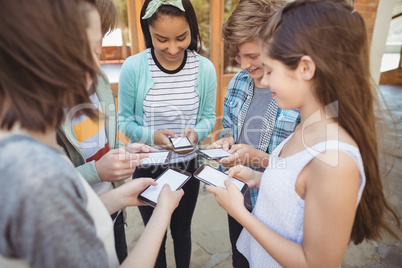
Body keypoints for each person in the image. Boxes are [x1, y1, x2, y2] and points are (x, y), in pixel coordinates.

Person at [206, 0, 401, 267]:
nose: (264, 80)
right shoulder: (305, 129)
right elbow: (293, 185)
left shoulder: (335, 160)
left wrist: (240, 213)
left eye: (270, 70)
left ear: (306, 68)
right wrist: (255, 177)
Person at [0, 0, 183, 267]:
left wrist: (119, 196)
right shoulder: (32, 174)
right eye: (94, 51)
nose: (98, 66)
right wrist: (163, 212)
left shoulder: (28, 146)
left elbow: (68, 218)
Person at [56, 0, 158, 263]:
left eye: (98, 46)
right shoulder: (33, 119)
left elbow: (95, 143)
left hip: (112, 211)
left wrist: (122, 153)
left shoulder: (98, 84)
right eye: (83, 50)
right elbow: (52, 189)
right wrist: (98, 172)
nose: (95, 62)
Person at [117, 0, 217, 267]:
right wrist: (152, 136)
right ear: (147, 31)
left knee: (182, 232)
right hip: (147, 169)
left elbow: (208, 118)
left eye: (182, 38)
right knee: (155, 236)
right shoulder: (134, 67)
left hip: (187, 167)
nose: (172, 48)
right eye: (161, 39)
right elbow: (123, 121)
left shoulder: (204, 68)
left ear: (192, 29)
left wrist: (196, 133)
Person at [207, 0, 299, 266]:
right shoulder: (237, 82)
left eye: (252, 55)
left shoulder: (298, 94)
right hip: (239, 195)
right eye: (238, 56)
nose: (244, 64)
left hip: (278, 207)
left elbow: (307, 169)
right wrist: (226, 139)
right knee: (240, 258)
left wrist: (256, 157)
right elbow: (229, 126)